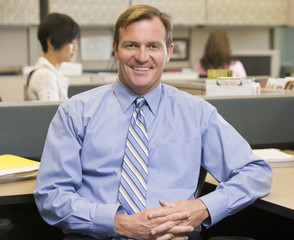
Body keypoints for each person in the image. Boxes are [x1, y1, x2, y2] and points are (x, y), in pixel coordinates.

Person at [34, 5, 272, 240]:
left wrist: (202, 208)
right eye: (131, 45)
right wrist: (121, 224)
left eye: (153, 46)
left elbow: (255, 172)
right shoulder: (76, 112)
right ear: (116, 49)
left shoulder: (196, 113)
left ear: (168, 52)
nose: (142, 56)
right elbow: (52, 195)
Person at [26, 13, 80, 101]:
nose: (75, 48)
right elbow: (52, 112)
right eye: (70, 42)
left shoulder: (51, 72)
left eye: (75, 42)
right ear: (51, 42)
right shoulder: (45, 75)